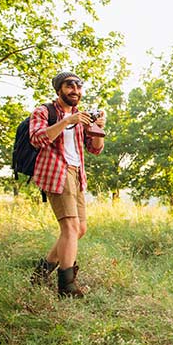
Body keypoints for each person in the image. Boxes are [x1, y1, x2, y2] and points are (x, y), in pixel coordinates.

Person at [29, 71, 106, 298]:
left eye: (78, 86)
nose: (75, 90)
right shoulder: (44, 111)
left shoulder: (81, 116)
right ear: (59, 89)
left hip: (77, 174)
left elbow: (95, 149)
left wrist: (99, 128)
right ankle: (67, 286)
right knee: (70, 228)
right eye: (69, 85)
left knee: (79, 229)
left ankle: (41, 273)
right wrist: (66, 121)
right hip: (55, 173)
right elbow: (37, 138)